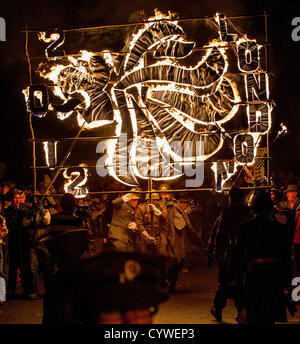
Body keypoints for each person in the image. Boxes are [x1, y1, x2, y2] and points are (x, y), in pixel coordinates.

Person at [229, 190, 293, 324]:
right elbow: (286, 258)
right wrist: (288, 284)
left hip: (254, 275)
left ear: (253, 208)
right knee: (268, 314)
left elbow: (238, 254)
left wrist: (234, 277)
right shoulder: (278, 228)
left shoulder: (245, 227)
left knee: (254, 312)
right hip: (272, 276)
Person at [209, 188, 253, 322]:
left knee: (226, 282)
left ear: (231, 198)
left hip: (233, 252)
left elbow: (220, 235)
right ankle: (240, 310)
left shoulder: (227, 213)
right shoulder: (248, 212)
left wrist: (217, 253)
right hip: (246, 253)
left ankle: (220, 308)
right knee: (239, 282)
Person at [108, 188, 155, 252]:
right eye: (133, 200)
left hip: (128, 238)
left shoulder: (135, 209)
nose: (135, 202)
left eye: (137, 200)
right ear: (129, 200)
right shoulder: (121, 205)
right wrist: (125, 197)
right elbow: (114, 203)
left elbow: (138, 225)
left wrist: (147, 237)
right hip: (118, 235)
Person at [4, 190, 31, 299]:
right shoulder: (8, 211)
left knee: (25, 266)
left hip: (23, 242)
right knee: (13, 266)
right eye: (15, 198)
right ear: (11, 200)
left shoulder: (24, 210)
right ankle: (11, 289)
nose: (17, 201)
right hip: (13, 242)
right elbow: (10, 225)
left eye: (19, 198)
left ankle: (26, 289)